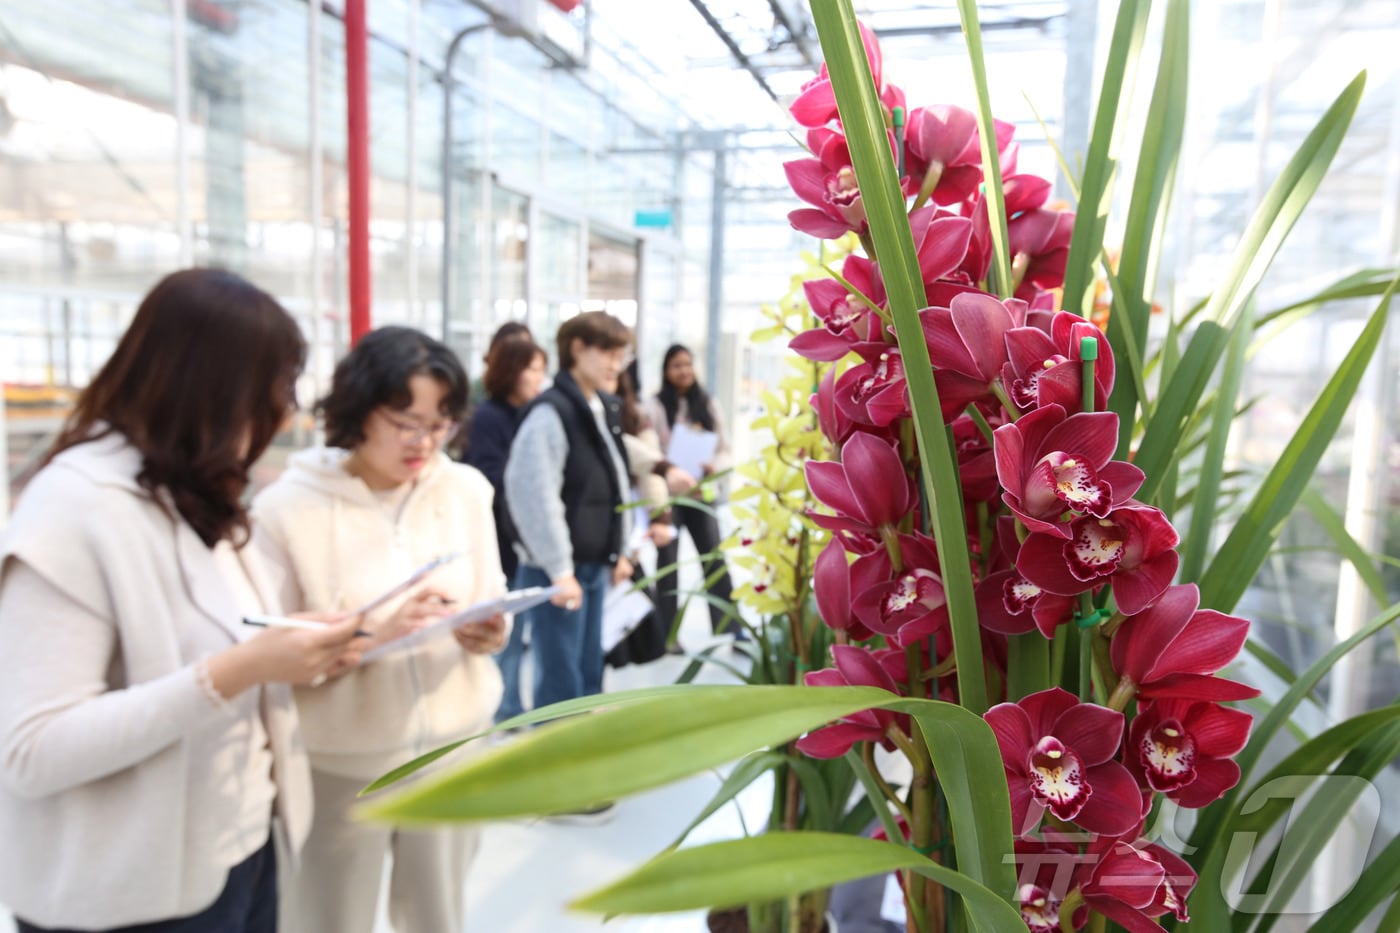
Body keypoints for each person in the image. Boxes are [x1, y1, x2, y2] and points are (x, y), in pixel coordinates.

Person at [0, 268, 366, 933]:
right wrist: (244, 667)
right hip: (128, 896)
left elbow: (230, 636)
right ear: (212, 387)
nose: (284, 411)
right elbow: (33, 749)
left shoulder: (189, 488)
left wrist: (295, 648)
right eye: (274, 388)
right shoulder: (75, 508)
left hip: (239, 848)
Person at [251, 326, 509, 933]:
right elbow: (269, 651)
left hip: (455, 747)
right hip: (341, 764)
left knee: (438, 917)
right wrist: (375, 633)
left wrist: (488, 631)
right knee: (327, 919)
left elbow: (489, 591)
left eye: (440, 421)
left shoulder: (466, 490)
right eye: (405, 421)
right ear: (358, 411)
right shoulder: (287, 510)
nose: (424, 440)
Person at [503, 311, 632, 722]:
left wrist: (619, 549)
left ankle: (584, 772)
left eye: (620, 353)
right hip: (560, 570)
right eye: (607, 351)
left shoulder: (593, 407)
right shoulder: (551, 412)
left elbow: (613, 477)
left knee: (587, 675)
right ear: (576, 348)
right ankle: (556, 777)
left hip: (591, 564)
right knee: (561, 683)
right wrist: (559, 569)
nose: (615, 362)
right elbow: (533, 493)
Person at [464, 337, 548, 721]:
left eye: (541, 369)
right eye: (531, 369)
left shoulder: (534, 414)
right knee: (506, 633)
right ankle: (506, 711)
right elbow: (489, 478)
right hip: (500, 539)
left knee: (523, 629)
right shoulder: (489, 417)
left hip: (526, 538)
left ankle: (512, 708)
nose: (538, 378)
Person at [644, 343, 740, 640]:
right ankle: (667, 636)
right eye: (676, 365)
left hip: (700, 496)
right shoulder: (654, 406)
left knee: (714, 559)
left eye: (688, 364)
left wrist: (714, 466)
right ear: (666, 371)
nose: (684, 370)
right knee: (668, 564)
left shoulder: (707, 404)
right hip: (669, 499)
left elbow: (724, 448)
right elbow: (650, 452)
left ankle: (731, 629)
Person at [606, 366, 695, 666]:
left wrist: (660, 515)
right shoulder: (581, 411)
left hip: (630, 519)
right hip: (602, 523)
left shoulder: (635, 416)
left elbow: (647, 469)